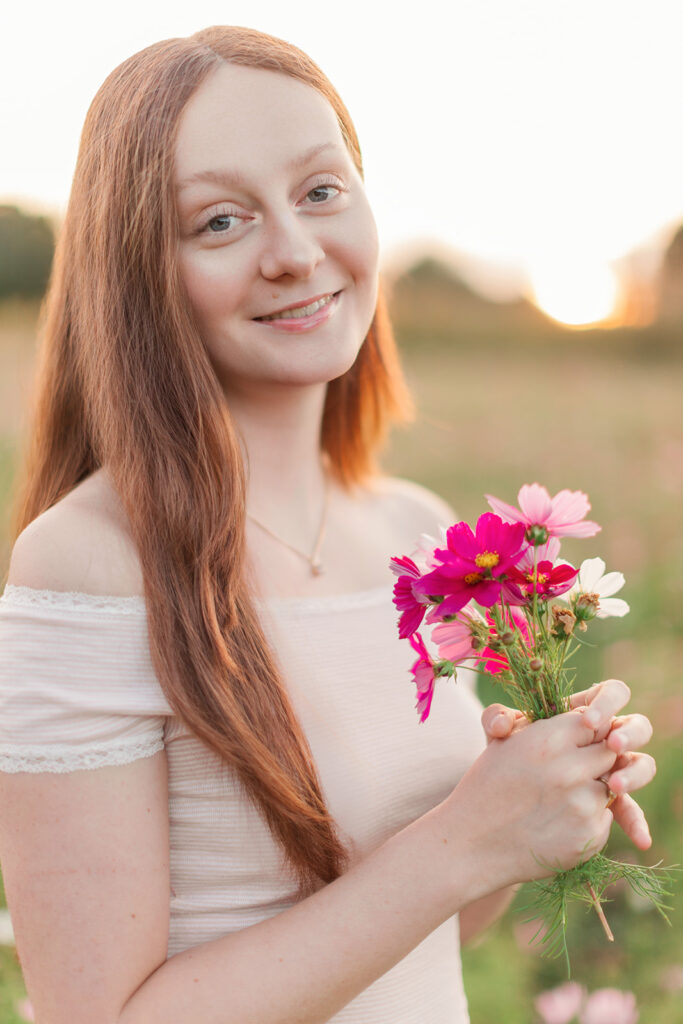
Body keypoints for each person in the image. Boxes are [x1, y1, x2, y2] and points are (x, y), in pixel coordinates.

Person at [0, 25, 656, 1024]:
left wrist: (527, 811)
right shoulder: (90, 558)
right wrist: (461, 841)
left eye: (319, 190)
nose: (295, 253)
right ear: (139, 270)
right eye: (220, 221)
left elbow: (424, 933)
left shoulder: (414, 530)